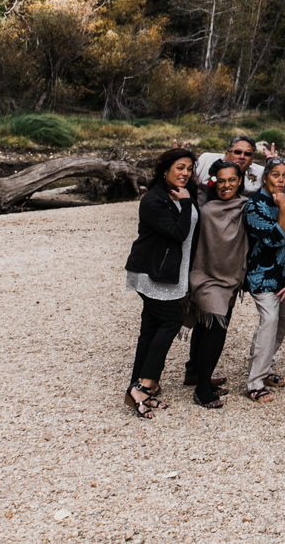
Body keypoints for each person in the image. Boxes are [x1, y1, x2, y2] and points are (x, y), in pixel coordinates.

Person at [122, 147, 198, 418]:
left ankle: (139, 385)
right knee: (170, 320)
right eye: (179, 167)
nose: (185, 173)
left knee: (151, 326)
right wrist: (188, 202)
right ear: (164, 170)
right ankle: (144, 383)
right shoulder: (153, 200)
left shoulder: (178, 193)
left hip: (168, 272)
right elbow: (178, 233)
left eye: (189, 168)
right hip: (152, 273)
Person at [182, 157, 249, 408]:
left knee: (206, 327)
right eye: (220, 181)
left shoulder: (246, 207)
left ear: (240, 181)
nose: (226, 185)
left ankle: (200, 376)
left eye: (232, 180)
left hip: (231, 278)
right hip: (206, 277)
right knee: (215, 331)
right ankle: (201, 390)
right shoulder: (206, 210)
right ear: (213, 183)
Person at [242, 156, 285, 402]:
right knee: (269, 320)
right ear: (264, 178)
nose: (281, 180)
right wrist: (284, 208)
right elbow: (279, 238)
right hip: (262, 274)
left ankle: (266, 367)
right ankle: (254, 381)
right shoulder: (254, 206)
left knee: (281, 323)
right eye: (275, 175)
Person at [193, 135, 261, 194]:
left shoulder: (260, 173)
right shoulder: (206, 160)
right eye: (237, 152)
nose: (242, 157)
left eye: (247, 154)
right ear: (226, 154)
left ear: (252, 159)